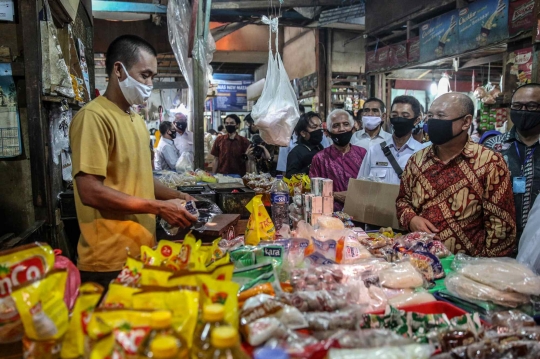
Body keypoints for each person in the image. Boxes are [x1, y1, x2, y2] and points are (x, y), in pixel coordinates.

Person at [69, 35, 196, 288]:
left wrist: (179, 195)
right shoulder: (94, 117)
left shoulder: (136, 120)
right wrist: (159, 207)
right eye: (145, 75)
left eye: (153, 77)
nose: (150, 84)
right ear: (119, 70)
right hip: (108, 261)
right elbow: (90, 191)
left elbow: (141, 179)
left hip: (142, 252)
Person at [396, 93, 516, 257]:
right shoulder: (417, 160)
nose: (432, 121)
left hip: (468, 268)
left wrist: (484, 269)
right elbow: (402, 201)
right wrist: (411, 219)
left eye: (441, 116)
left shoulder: (490, 162)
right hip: (419, 261)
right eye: (430, 115)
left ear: (466, 122)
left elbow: (500, 224)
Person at [485, 83, 540, 245]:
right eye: (517, 106)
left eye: (531, 106)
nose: (523, 111)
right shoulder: (493, 146)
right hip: (497, 239)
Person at [358, 96, 423, 184]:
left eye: (405, 116)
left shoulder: (422, 153)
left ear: (416, 120)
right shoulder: (374, 151)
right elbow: (361, 185)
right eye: (394, 115)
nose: (398, 119)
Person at [310, 110, 367, 210]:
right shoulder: (320, 158)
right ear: (327, 132)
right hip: (330, 217)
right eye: (336, 126)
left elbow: (371, 185)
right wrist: (336, 195)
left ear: (353, 128)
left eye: (346, 124)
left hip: (360, 212)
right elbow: (314, 190)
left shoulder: (363, 154)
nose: (341, 129)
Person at [286, 112, 325, 178]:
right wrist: (310, 167)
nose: (319, 130)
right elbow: (290, 177)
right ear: (303, 133)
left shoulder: (319, 147)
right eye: (314, 127)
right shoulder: (296, 153)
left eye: (320, 126)